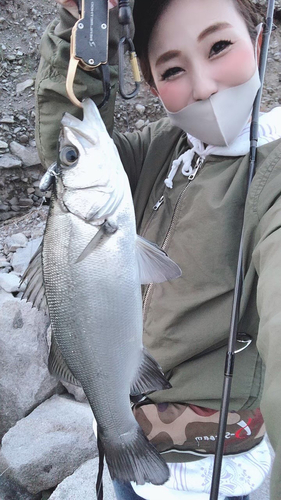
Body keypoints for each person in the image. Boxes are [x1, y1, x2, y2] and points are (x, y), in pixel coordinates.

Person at [35, 0, 281, 499]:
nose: (205, 85)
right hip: (134, 431)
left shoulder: (272, 179)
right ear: (152, 87)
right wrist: (83, 23)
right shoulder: (156, 148)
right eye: (172, 68)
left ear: (258, 41)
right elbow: (68, 131)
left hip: (210, 463)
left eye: (219, 46)